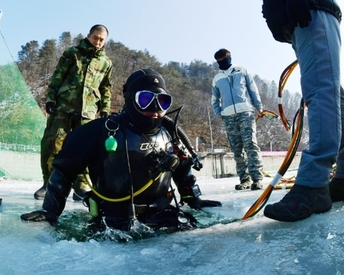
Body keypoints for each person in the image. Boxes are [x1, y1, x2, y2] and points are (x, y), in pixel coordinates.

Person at [22, 69, 221, 231]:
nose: (155, 107)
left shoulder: (169, 132)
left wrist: (193, 199)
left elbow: (181, 168)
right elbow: (64, 171)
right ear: (129, 99)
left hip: (162, 216)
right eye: (145, 99)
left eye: (163, 101)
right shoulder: (100, 131)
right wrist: (50, 211)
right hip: (112, 221)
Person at [255, 0, 344, 222]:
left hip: (308, 5)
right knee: (330, 89)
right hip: (305, 13)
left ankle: (314, 184)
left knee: (320, 90)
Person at [34, 24, 113, 201]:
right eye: (95, 38)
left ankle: (81, 187)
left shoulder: (106, 63)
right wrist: (50, 99)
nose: (98, 42)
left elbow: (106, 87)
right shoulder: (72, 53)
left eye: (101, 40)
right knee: (52, 143)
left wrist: (105, 109)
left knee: (86, 149)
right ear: (88, 36)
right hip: (63, 107)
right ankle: (49, 184)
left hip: (88, 112)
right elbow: (58, 76)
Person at [211, 48, 265, 191]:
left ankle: (257, 178)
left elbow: (253, 89)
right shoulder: (217, 78)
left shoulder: (242, 71)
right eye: (222, 59)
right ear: (218, 61)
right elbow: (214, 99)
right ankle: (244, 179)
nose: (225, 60)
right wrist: (220, 113)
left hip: (245, 113)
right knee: (237, 150)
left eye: (227, 57)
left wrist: (258, 107)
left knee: (250, 145)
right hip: (228, 117)